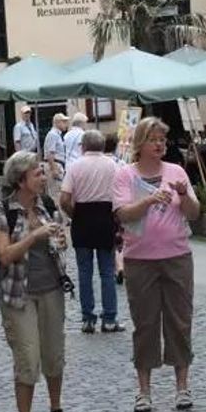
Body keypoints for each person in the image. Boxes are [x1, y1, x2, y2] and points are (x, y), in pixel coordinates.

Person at [113, 117, 200, 412]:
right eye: (154, 139)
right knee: (146, 324)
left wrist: (185, 194)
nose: (160, 144)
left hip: (176, 256)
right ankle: (144, 391)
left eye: (163, 139)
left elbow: (194, 213)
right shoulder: (125, 175)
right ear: (141, 143)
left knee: (179, 320)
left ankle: (182, 387)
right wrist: (149, 200)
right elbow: (123, 214)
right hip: (139, 260)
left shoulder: (176, 171)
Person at [0, 151, 70, 412]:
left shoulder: (47, 203)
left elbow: (61, 240)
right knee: (28, 359)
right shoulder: (3, 210)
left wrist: (59, 241)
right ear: (21, 180)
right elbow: (4, 255)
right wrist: (33, 235)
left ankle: (56, 408)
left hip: (52, 289)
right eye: (37, 173)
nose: (43, 176)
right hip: (18, 295)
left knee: (54, 354)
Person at [59, 130, 124, 334]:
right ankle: (110, 318)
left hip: (83, 219)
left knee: (84, 272)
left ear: (83, 146)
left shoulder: (75, 166)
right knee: (107, 272)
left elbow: (63, 199)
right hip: (106, 218)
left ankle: (88, 319)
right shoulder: (113, 165)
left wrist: (74, 214)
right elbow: (121, 196)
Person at [44, 113, 69, 197]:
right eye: (64, 122)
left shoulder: (57, 135)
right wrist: (54, 169)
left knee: (59, 191)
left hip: (58, 164)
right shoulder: (53, 135)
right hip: (55, 164)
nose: (66, 124)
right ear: (57, 123)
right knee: (56, 192)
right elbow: (50, 153)